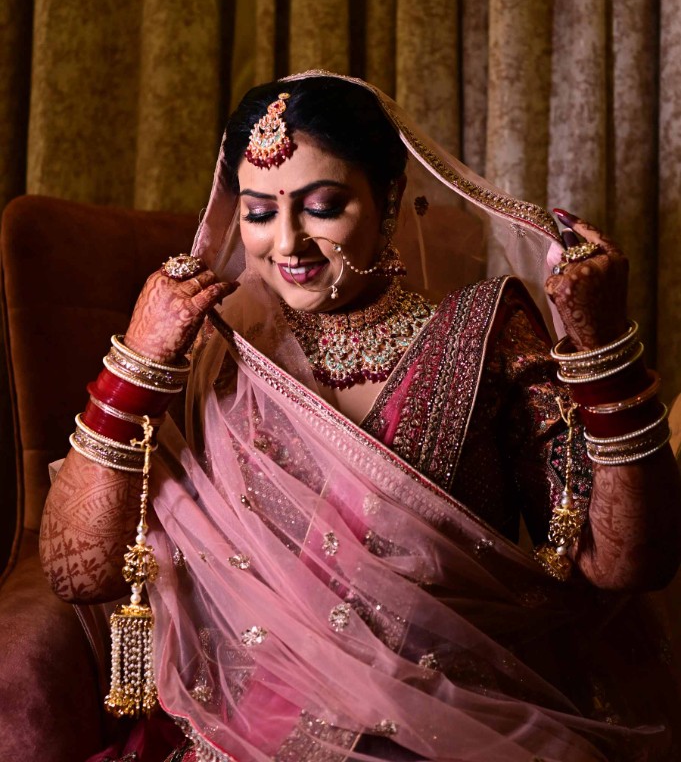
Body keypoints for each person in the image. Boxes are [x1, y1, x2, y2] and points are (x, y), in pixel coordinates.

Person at [40, 72, 681, 762]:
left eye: (322, 206)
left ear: (390, 199)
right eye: (258, 213)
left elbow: (624, 565)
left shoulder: (482, 334)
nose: (288, 244)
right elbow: (80, 574)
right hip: (250, 731)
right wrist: (136, 365)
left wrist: (605, 351)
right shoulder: (212, 347)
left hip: (462, 720)